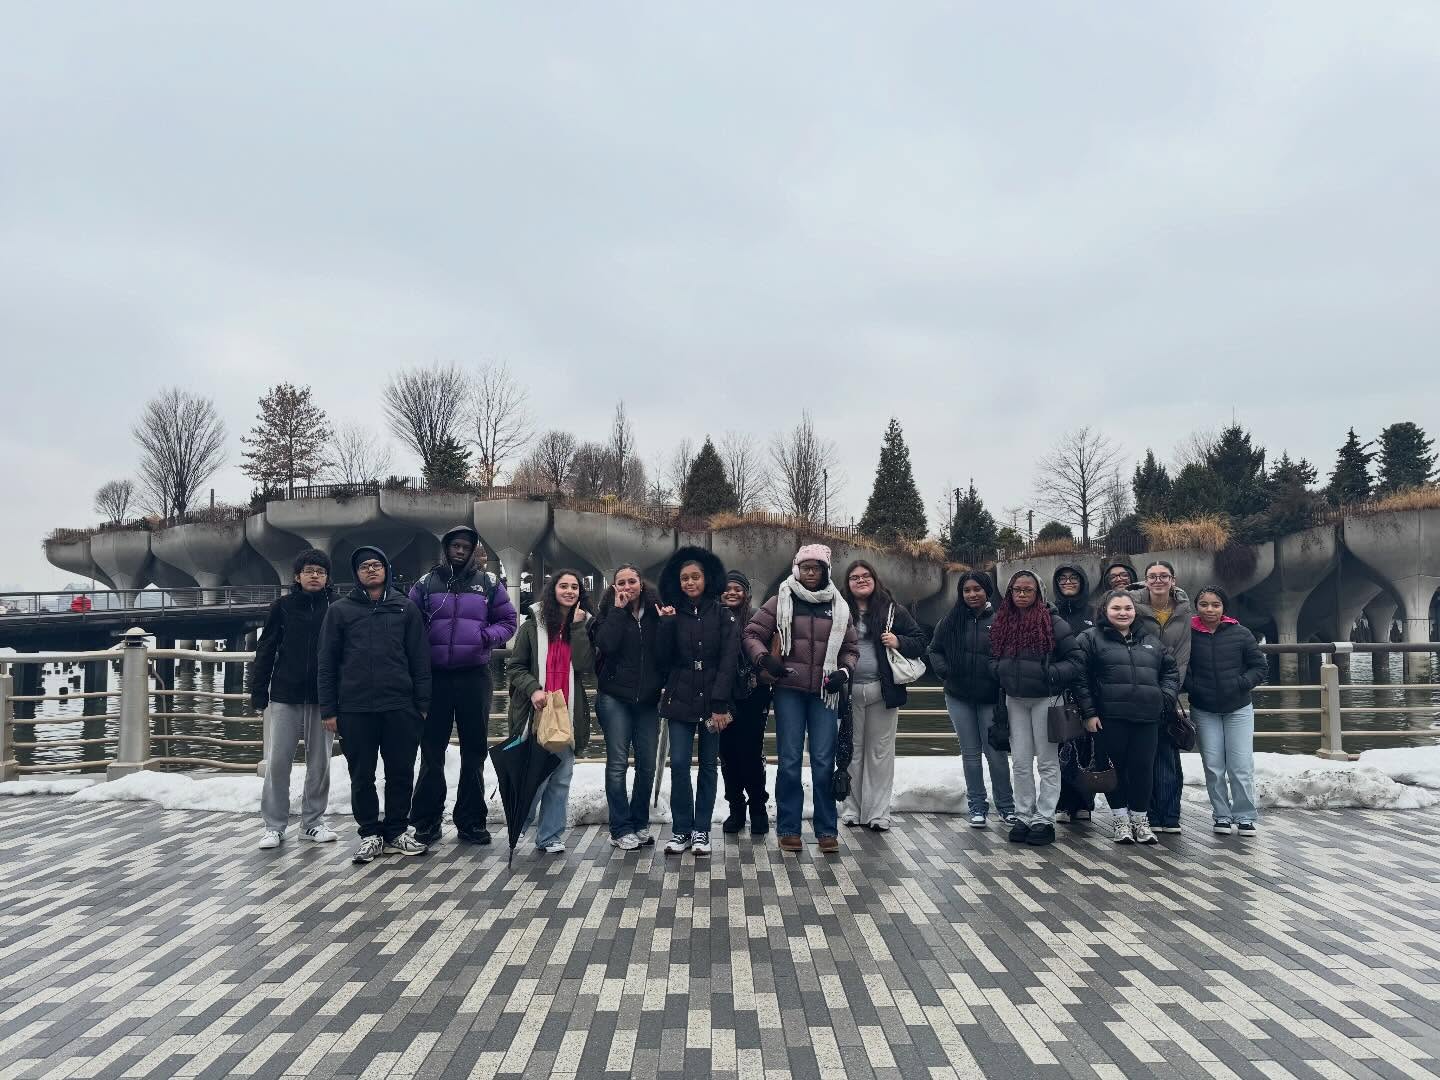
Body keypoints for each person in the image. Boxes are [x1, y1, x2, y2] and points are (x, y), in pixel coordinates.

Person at [318, 546, 432, 864]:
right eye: (364, 565)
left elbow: (420, 659)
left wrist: (421, 705)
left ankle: (396, 833)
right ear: (356, 573)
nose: (371, 569)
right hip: (355, 709)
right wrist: (329, 709)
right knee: (361, 775)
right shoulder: (339, 611)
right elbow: (326, 662)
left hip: (400, 706)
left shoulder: (404, 608)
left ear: (386, 569)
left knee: (400, 773)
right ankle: (370, 834)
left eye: (377, 564)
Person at [744, 544, 858, 855]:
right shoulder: (781, 598)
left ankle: (826, 829)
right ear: (797, 568)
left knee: (823, 762)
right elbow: (751, 634)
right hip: (788, 691)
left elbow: (850, 647)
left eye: (817, 567)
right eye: (806, 567)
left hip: (825, 693)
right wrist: (766, 660)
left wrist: (844, 673)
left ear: (825, 571)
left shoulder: (839, 605)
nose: (811, 572)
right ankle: (789, 828)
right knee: (790, 761)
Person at [408, 525, 518, 847]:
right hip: (435, 678)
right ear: (445, 548)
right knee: (431, 752)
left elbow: (509, 622)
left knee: (474, 752)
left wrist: (486, 638)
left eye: (465, 547)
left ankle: (471, 820)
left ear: (473, 551)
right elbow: (409, 623)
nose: (459, 551)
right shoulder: (426, 584)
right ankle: (427, 821)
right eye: (454, 545)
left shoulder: (489, 584)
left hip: (474, 676)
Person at [1073, 589, 1180, 846]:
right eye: (1116, 608)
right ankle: (1120, 820)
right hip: (1108, 718)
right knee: (1113, 770)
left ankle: (1141, 821)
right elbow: (1080, 678)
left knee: (1143, 769)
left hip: (1146, 717)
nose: (1123, 613)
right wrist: (1089, 713)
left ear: (1135, 611)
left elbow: (1171, 671)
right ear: (1105, 611)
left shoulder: (1151, 640)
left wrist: (1163, 697)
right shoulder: (1090, 639)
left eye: (1128, 608)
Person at [988, 570, 1083, 847]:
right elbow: (991, 657)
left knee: (1047, 761)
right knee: (1019, 761)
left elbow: (1075, 660)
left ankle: (1045, 817)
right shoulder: (1002, 621)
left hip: (1047, 699)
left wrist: (1050, 673)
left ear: (1038, 592)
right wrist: (1000, 670)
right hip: (1014, 700)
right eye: (1016, 590)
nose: (1021, 595)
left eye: (1027, 590)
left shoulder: (1054, 622)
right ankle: (1023, 814)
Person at [655, 547, 739, 857]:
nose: (690, 583)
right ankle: (681, 829)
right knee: (678, 764)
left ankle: (702, 828)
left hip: (712, 700)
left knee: (707, 765)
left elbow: (729, 660)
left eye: (696, 577)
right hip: (680, 697)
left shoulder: (722, 614)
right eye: (685, 578)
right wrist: (665, 625)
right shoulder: (671, 612)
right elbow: (662, 659)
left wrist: (720, 704)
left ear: (707, 579)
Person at [505, 569, 594, 854]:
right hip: (537, 711)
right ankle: (520, 821)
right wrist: (533, 689)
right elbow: (515, 666)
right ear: (553, 590)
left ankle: (550, 836)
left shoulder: (584, 624)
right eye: (563, 586)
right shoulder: (533, 625)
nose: (569, 591)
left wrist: (579, 628)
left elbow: (584, 665)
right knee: (534, 777)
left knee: (560, 776)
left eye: (575, 587)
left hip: (566, 711)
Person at [252, 549, 336, 850]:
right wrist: (259, 690)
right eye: (309, 570)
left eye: (321, 571)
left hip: (323, 697)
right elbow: (266, 649)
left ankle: (312, 823)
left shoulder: (336, 607)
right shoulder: (282, 607)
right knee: (278, 762)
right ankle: (274, 826)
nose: (315, 575)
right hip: (285, 694)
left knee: (320, 763)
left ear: (327, 578)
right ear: (297, 576)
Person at [838, 559, 926, 832]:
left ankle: (878, 813)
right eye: (854, 577)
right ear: (847, 583)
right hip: (848, 692)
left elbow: (921, 640)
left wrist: (899, 641)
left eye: (866, 576)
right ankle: (852, 809)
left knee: (880, 754)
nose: (861, 580)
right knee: (851, 752)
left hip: (882, 690)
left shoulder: (892, 610)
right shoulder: (839, 609)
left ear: (875, 579)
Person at [929, 571, 1016, 828]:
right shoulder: (951, 621)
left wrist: (997, 671)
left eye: (977, 589)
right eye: (967, 590)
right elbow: (934, 649)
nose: (972, 594)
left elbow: (1011, 654)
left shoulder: (1002, 620)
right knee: (970, 754)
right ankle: (977, 806)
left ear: (987, 591)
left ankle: (1006, 806)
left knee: (996, 754)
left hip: (991, 697)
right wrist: (945, 672)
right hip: (959, 696)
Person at [590, 563, 664, 850]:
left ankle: (639, 822)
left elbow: (666, 651)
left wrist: (668, 623)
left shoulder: (656, 614)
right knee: (618, 763)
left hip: (647, 699)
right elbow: (606, 645)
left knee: (646, 765)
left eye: (632, 581)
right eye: (621, 583)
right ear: (614, 587)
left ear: (641, 584)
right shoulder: (608, 614)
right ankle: (620, 827)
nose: (627, 587)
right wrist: (619, 612)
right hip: (614, 697)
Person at [1186, 586, 1266, 837]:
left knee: (1241, 765)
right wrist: (1195, 687)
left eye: (1216, 604)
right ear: (1196, 606)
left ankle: (1244, 816)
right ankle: (1221, 815)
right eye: (1204, 604)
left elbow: (1259, 668)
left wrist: (1239, 684)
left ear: (1224, 608)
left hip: (1238, 708)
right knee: (1212, 765)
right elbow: (1178, 667)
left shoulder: (1241, 633)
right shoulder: (1187, 634)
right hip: (1204, 708)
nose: (1210, 609)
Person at [1129, 561, 1194, 834]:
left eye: (1163, 576)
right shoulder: (1133, 607)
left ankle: (1169, 814)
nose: (1158, 581)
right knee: (1143, 755)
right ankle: (1149, 812)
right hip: (1140, 689)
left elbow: (1183, 653)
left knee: (1167, 754)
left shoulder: (1183, 610)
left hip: (1169, 692)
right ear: (1145, 581)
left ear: (1173, 580)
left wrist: (1170, 689)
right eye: (1152, 576)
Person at [718, 570, 771, 837]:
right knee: (727, 754)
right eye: (727, 588)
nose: (732, 593)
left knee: (751, 753)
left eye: (738, 588)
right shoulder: (714, 618)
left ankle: (758, 807)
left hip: (754, 694)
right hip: (722, 696)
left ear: (746, 592)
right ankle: (735, 806)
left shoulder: (757, 618)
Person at [1051, 565, 1096, 826]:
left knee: (1086, 747)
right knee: (1060, 747)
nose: (1068, 582)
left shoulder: (1093, 612)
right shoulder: (1051, 612)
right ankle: (1062, 801)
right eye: (1063, 579)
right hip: (1059, 689)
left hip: (1088, 690)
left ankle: (1084, 801)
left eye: (1073, 578)